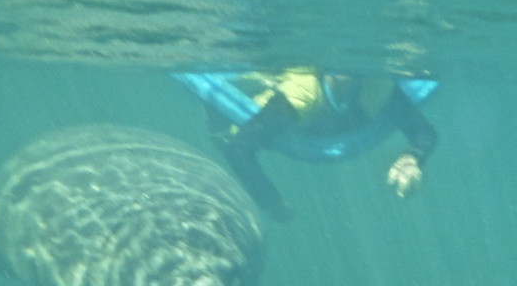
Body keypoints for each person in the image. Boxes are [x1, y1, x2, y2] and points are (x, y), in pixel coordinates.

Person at [174, 66, 438, 221]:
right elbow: (238, 147)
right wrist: (270, 201)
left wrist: (412, 157)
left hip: (319, 125)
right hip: (267, 114)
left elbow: (424, 132)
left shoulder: (377, 87)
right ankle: (217, 106)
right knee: (224, 136)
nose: (350, 75)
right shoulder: (302, 95)